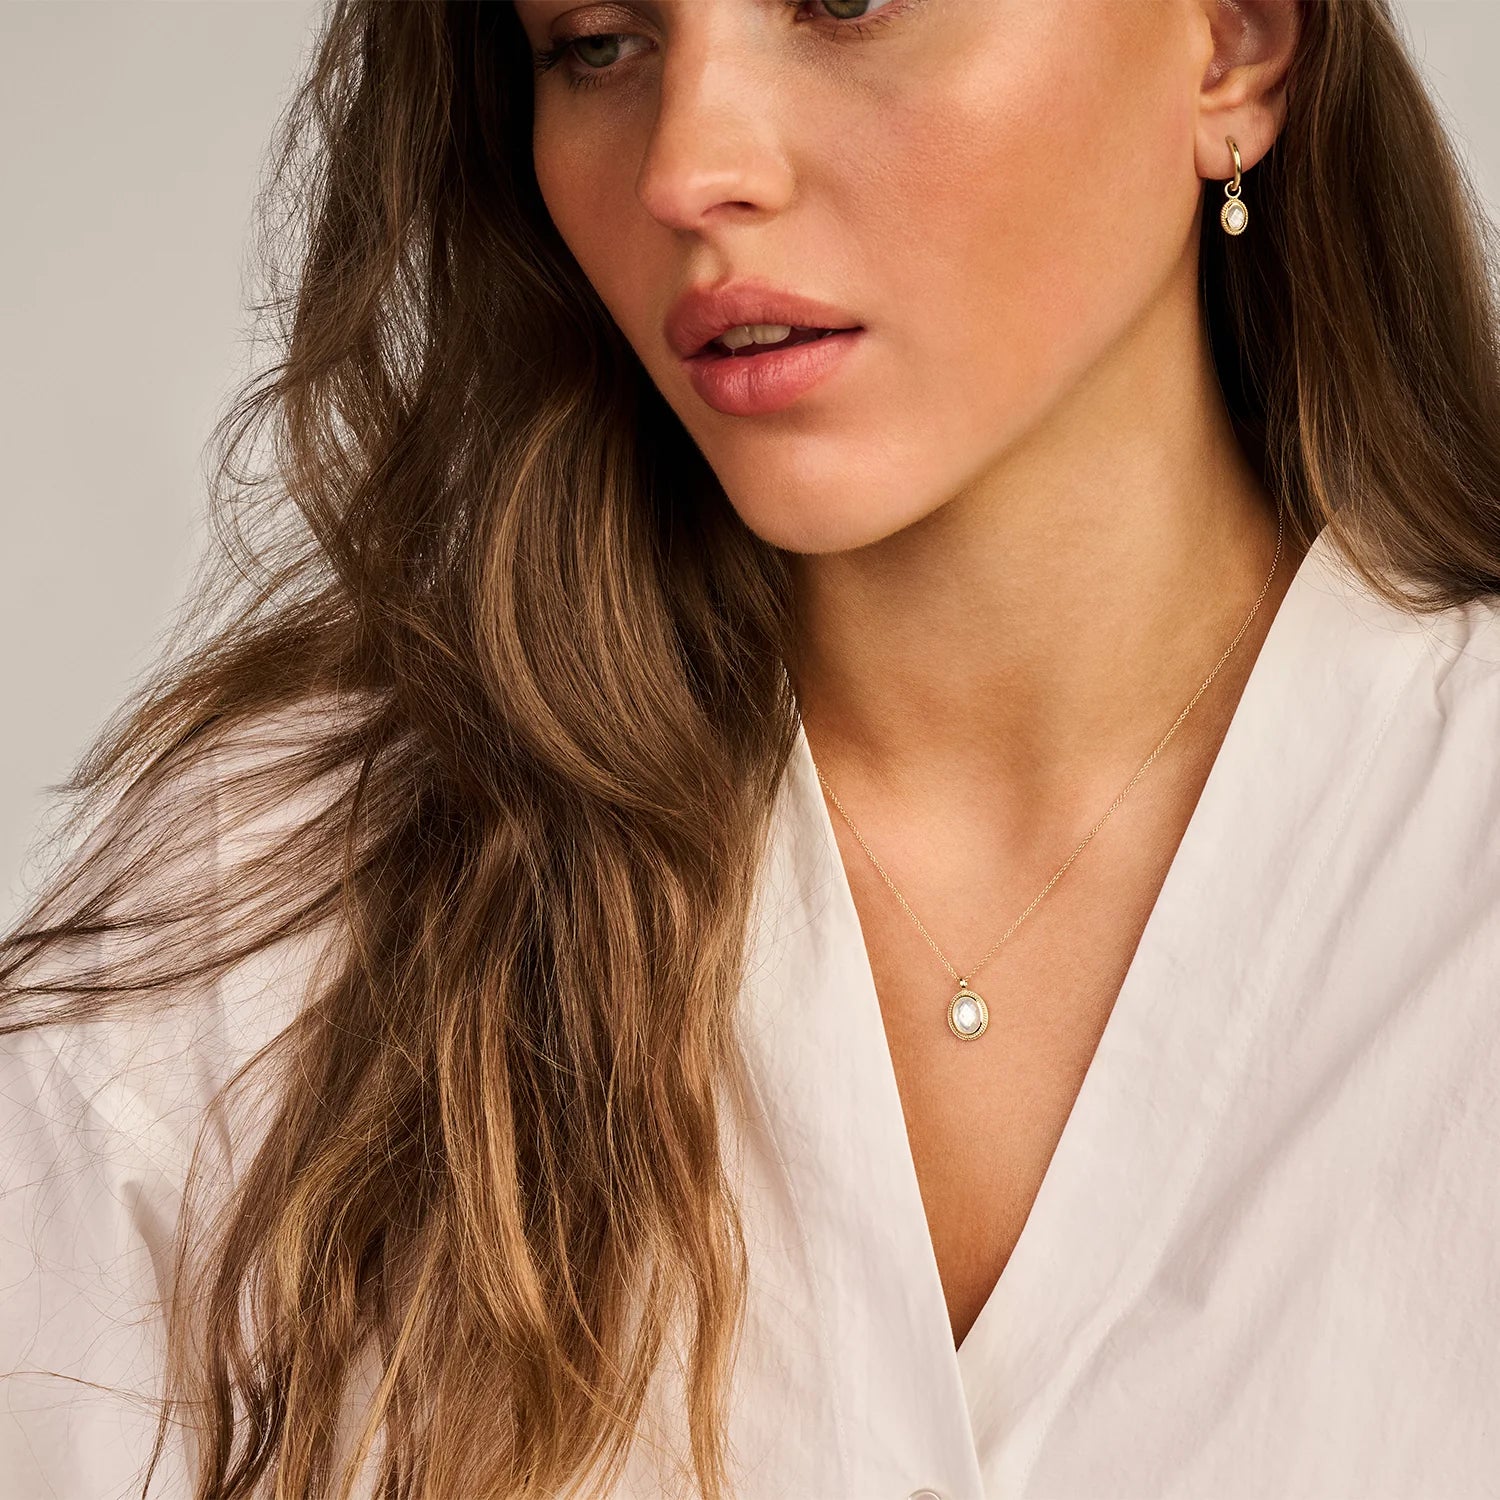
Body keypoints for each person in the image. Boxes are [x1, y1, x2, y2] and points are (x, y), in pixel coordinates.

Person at [3, 0, 1499, 1496]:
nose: (684, 170)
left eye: (844, 1)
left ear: (1231, 45)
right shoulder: (250, 951)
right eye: (594, 42)